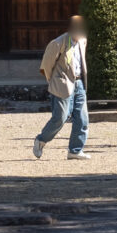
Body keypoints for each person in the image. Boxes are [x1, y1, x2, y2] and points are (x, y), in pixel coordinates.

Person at [34, 14, 92, 160]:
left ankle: (75, 150)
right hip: (62, 83)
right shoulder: (57, 43)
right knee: (60, 117)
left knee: (82, 118)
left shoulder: (83, 41)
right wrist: (54, 81)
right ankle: (41, 139)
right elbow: (46, 66)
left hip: (79, 82)